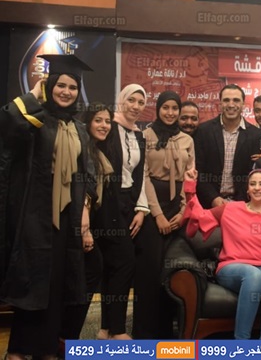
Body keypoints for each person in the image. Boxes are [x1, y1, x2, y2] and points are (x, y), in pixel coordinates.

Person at [0, 54, 95, 360]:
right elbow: (8, 120)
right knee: (31, 283)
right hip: (35, 215)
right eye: (60, 85)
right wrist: (34, 94)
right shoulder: (36, 121)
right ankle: (17, 350)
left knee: (57, 286)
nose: (66, 92)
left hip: (67, 217)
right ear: (49, 85)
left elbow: (86, 173)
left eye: (73, 87)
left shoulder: (79, 128)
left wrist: (85, 207)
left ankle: (46, 350)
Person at [180, 169, 261, 339]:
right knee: (254, 275)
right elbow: (199, 215)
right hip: (232, 266)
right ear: (247, 189)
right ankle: (241, 343)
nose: (257, 188)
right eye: (252, 184)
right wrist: (190, 187)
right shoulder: (230, 209)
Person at [96, 84, 151, 340]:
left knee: (114, 267)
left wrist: (141, 209)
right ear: (122, 100)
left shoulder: (139, 135)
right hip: (109, 202)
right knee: (123, 263)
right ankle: (117, 329)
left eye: (141, 102)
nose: (136, 106)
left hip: (130, 203)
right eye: (132, 100)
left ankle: (105, 328)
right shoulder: (109, 128)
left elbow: (140, 175)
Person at [142, 90, 195, 337]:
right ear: (158, 109)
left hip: (178, 208)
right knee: (151, 269)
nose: (170, 113)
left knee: (173, 267)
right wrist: (158, 215)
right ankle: (148, 332)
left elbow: (190, 177)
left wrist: (183, 211)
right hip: (153, 206)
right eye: (166, 108)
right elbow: (143, 177)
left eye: (175, 108)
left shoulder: (187, 139)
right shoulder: (145, 135)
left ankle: (171, 330)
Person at [59, 102, 113, 344]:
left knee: (85, 276)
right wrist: (85, 230)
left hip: (86, 224)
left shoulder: (97, 151)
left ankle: (66, 336)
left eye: (107, 121)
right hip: (76, 224)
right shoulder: (83, 149)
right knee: (88, 272)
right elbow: (84, 193)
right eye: (98, 120)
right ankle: (65, 337)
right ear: (87, 122)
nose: (104, 125)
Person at [194, 84, 261, 208]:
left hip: (242, 205)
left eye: (236, 100)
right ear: (220, 104)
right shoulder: (203, 131)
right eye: (226, 100)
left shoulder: (256, 135)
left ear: (243, 104)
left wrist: (237, 203)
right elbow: (198, 171)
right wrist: (213, 198)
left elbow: (253, 174)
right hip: (208, 205)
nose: (231, 105)